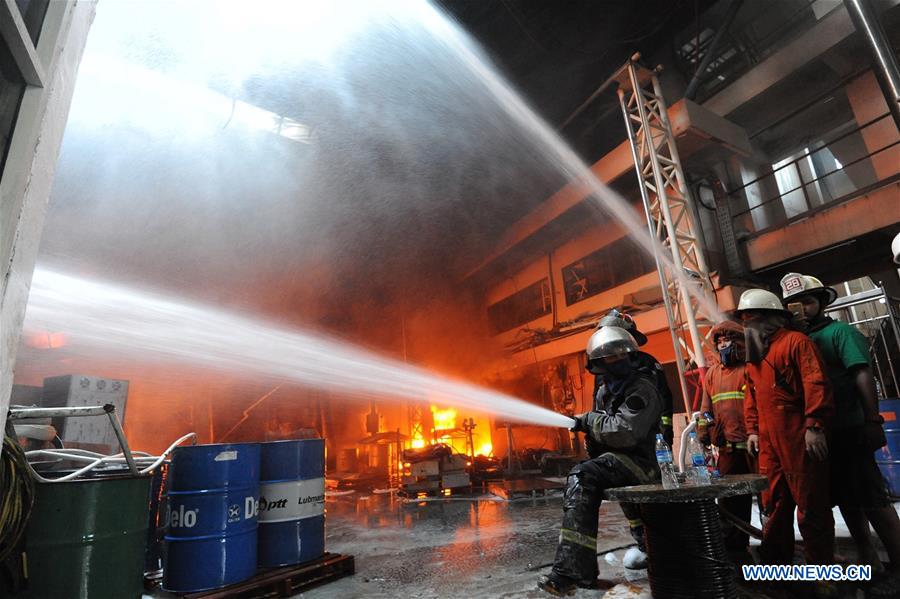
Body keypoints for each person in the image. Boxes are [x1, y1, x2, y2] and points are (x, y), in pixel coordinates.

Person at [781, 272, 900, 589]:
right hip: (823, 435)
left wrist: (872, 419)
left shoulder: (839, 333)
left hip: (850, 428)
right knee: (847, 499)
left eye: (807, 301)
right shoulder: (797, 341)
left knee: (873, 499)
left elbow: (861, 373)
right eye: (795, 304)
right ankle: (868, 560)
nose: (802, 309)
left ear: (820, 302)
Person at [538, 326, 663, 596]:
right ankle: (650, 550)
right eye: (609, 358)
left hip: (642, 464)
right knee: (593, 480)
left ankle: (572, 571)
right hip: (619, 461)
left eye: (621, 356)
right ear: (597, 365)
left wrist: (588, 420)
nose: (616, 362)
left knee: (583, 476)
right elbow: (604, 429)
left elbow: (625, 432)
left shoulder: (642, 389)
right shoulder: (606, 390)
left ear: (631, 356)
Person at [737, 288, 835, 568]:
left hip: (797, 435)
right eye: (743, 319)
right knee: (773, 504)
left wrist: (815, 425)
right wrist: (753, 429)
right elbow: (751, 395)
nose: (747, 325)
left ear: (773, 319)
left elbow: (815, 382)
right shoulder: (755, 357)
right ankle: (777, 564)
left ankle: (821, 570)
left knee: (810, 503)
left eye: (750, 318)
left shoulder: (796, 342)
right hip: (768, 441)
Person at [587, 310, 675, 570]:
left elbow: (663, 400)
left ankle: (662, 545)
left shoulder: (645, 364)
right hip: (616, 444)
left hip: (647, 443)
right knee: (627, 498)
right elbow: (599, 406)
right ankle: (643, 544)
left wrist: (664, 433)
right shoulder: (602, 368)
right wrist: (596, 434)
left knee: (651, 494)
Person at [698, 319, 756, 561]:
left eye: (728, 340)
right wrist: (703, 432)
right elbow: (707, 407)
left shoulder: (751, 369)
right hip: (728, 450)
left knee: (769, 499)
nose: (723, 345)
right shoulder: (712, 374)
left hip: (756, 447)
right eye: (719, 341)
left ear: (741, 343)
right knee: (729, 501)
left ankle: (775, 544)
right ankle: (734, 548)